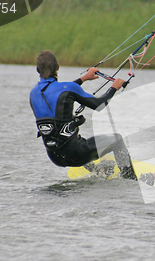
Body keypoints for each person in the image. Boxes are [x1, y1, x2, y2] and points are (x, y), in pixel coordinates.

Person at [30, 50, 137, 180]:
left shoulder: (34, 93)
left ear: (37, 70)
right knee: (117, 139)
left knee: (71, 140)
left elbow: (59, 90)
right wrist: (114, 87)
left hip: (55, 157)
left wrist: (84, 78)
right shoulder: (67, 88)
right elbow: (99, 105)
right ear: (57, 68)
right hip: (76, 153)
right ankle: (130, 179)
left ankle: (100, 171)